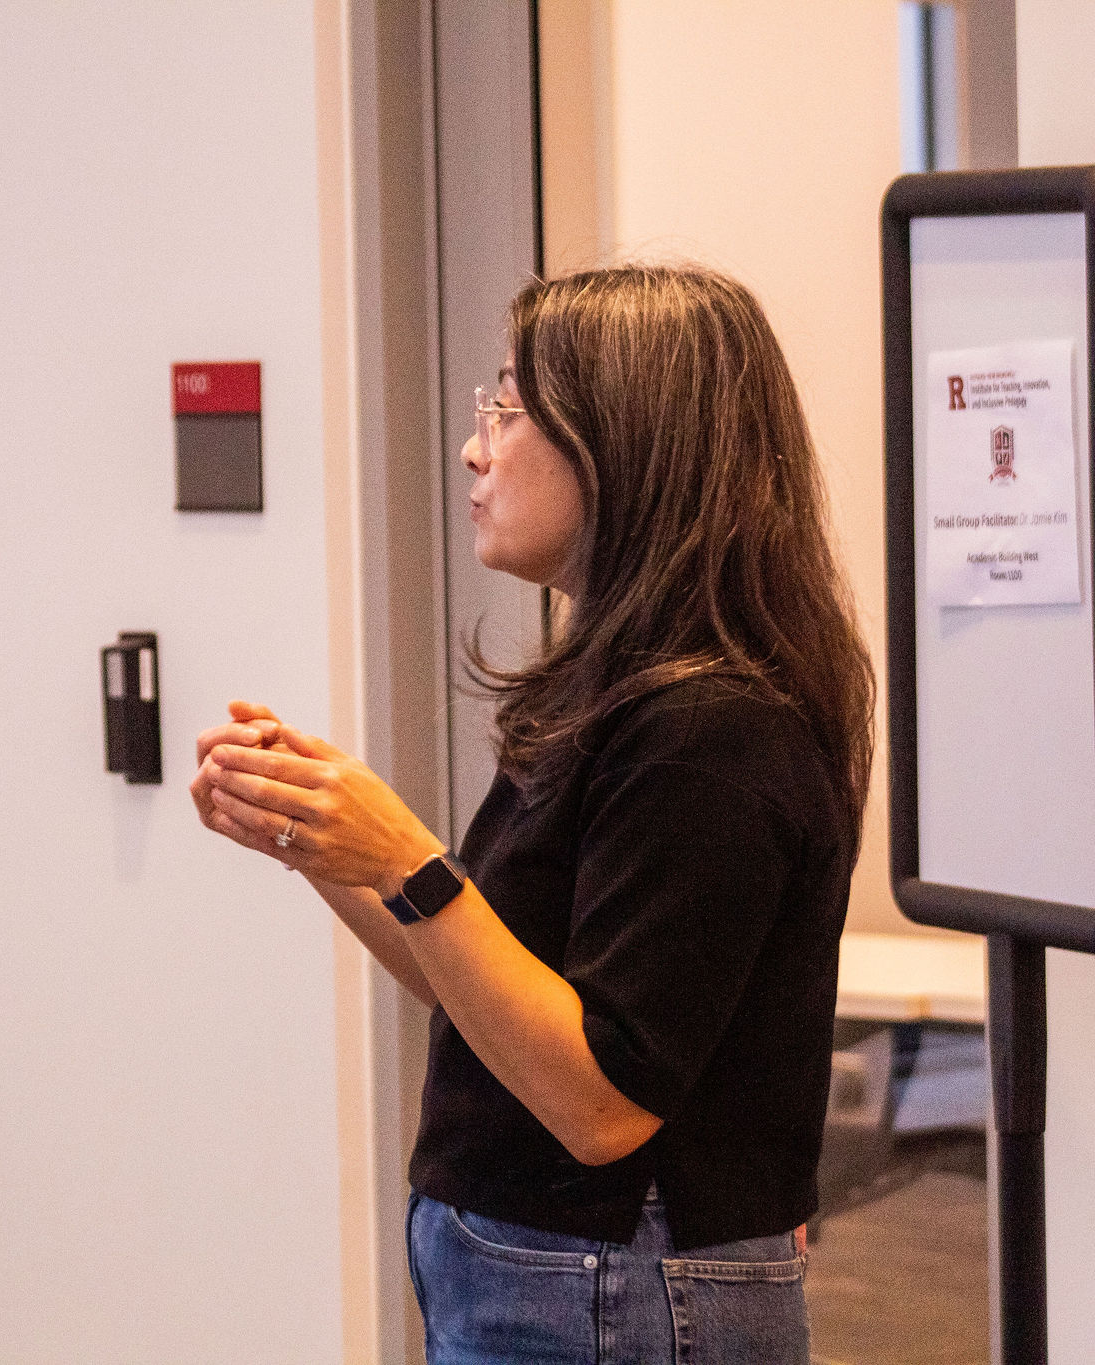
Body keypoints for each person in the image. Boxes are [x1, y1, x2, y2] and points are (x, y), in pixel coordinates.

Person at [191, 265, 874, 1363]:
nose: (475, 449)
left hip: (617, 1277)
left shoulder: (710, 726)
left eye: (506, 411)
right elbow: (475, 986)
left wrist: (406, 859)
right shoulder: (619, 691)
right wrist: (315, 840)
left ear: (625, 446)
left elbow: (602, 1104)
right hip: (555, 1268)